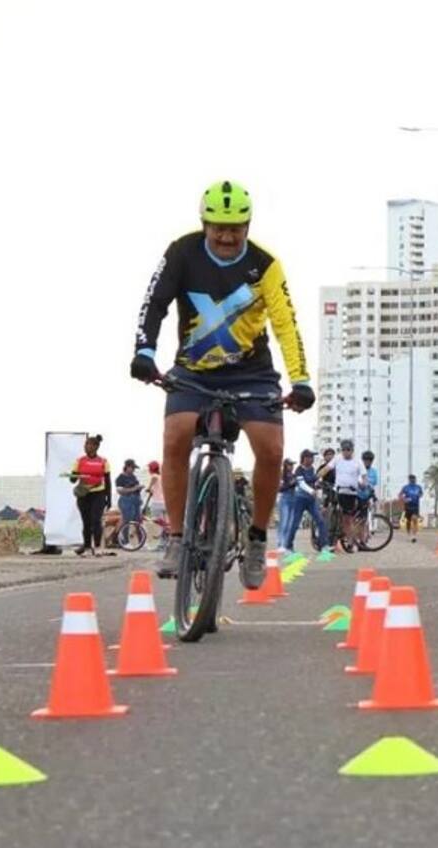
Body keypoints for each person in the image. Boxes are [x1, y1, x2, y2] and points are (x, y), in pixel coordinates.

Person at [128, 180, 314, 589]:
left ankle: (256, 539)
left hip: (252, 372)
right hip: (193, 370)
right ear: (205, 223)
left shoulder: (265, 265)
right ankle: (177, 538)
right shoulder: (182, 252)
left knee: (271, 450)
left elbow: (285, 323)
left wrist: (300, 379)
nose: (227, 236)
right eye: (218, 227)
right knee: (176, 435)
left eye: (236, 228)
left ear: (248, 225)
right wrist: (145, 351)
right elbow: (155, 301)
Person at [69, 434, 111, 556]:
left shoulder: (103, 461)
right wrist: (73, 476)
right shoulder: (79, 461)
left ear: (96, 447)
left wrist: (108, 499)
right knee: (86, 522)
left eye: (89, 445)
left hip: (98, 493)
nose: (86, 447)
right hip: (83, 494)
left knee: (96, 521)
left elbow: (107, 480)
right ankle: (87, 547)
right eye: (85, 445)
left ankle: (97, 547)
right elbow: (72, 479)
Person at [284, 450, 327, 552]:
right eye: (310, 457)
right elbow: (301, 484)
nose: (312, 459)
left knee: (320, 521)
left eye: (312, 457)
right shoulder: (299, 470)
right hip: (300, 500)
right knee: (295, 524)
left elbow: (313, 481)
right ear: (304, 459)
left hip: (311, 501)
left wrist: (317, 485)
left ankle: (324, 545)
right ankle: (288, 546)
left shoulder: (312, 469)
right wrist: (311, 490)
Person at [331, 439, 367, 548]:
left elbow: (364, 476)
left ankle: (350, 541)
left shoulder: (358, 462)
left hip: (350, 493)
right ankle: (332, 538)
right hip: (338, 491)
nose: (346, 452)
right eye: (344, 450)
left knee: (348, 518)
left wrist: (363, 484)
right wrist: (317, 477)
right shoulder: (337, 459)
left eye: (348, 450)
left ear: (352, 450)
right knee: (334, 514)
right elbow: (327, 468)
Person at [115, 459, 144, 526]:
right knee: (126, 521)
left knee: (138, 521)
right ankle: (123, 536)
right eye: (132, 468)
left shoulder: (133, 476)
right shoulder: (120, 478)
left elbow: (136, 488)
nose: (134, 470)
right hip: (126, 501)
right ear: (127, 467)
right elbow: (120, 491)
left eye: (134, 468)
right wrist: (134, 488)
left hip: (136, 501)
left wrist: (139, 489)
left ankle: (140, 536)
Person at [276, 458, 296, 550]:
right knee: (283, 522)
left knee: (290, 523)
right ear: (285, 465)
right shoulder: (281, 475)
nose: (291, 467)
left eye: (292, 465)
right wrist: (289, 484)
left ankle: (287, 544)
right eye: (290, 465)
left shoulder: (293, 475)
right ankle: (280, 543)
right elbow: (279, 488)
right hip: (284, 498)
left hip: (293, 498)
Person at [398, 475, 424, 543]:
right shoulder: (406, 487)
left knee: (414, 519)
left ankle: (414, 535)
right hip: (408, 506)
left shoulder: (418, 487)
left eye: (414, 479)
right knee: (408, 521)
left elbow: (421, 494)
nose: (413, 480)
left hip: (415, 506)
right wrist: (404, 499)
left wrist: (419, 495)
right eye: (411, 479)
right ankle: (408, 533)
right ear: (409, 480)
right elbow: (400, 495)